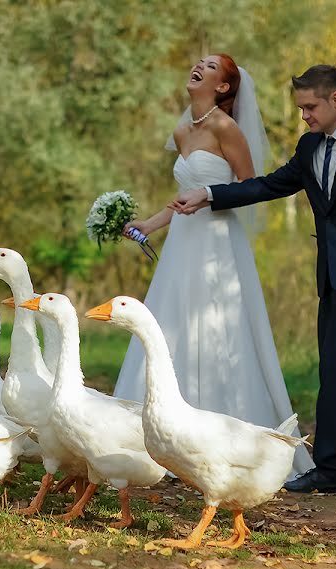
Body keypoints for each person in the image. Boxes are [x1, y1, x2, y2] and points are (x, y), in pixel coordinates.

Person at [173, 64, 336, 493]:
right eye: (300, 108)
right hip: (330, 271)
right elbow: (271, 185)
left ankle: (330, 471)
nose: (304, 116)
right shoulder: (308, 146)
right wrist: (211, 194)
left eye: (310, 107)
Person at [117, 53, 314, 477]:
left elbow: (250, 188)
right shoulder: (181, 129)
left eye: (209, 66)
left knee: (217, 330)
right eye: (198, 62)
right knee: (171, 327)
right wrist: (148, 225)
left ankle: (229, 445)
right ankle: (157, 443)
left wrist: (209, 193)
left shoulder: (227, 129)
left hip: (217, 243)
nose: (197, 66)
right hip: (182, 244)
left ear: (223, 87)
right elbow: (183, 195)